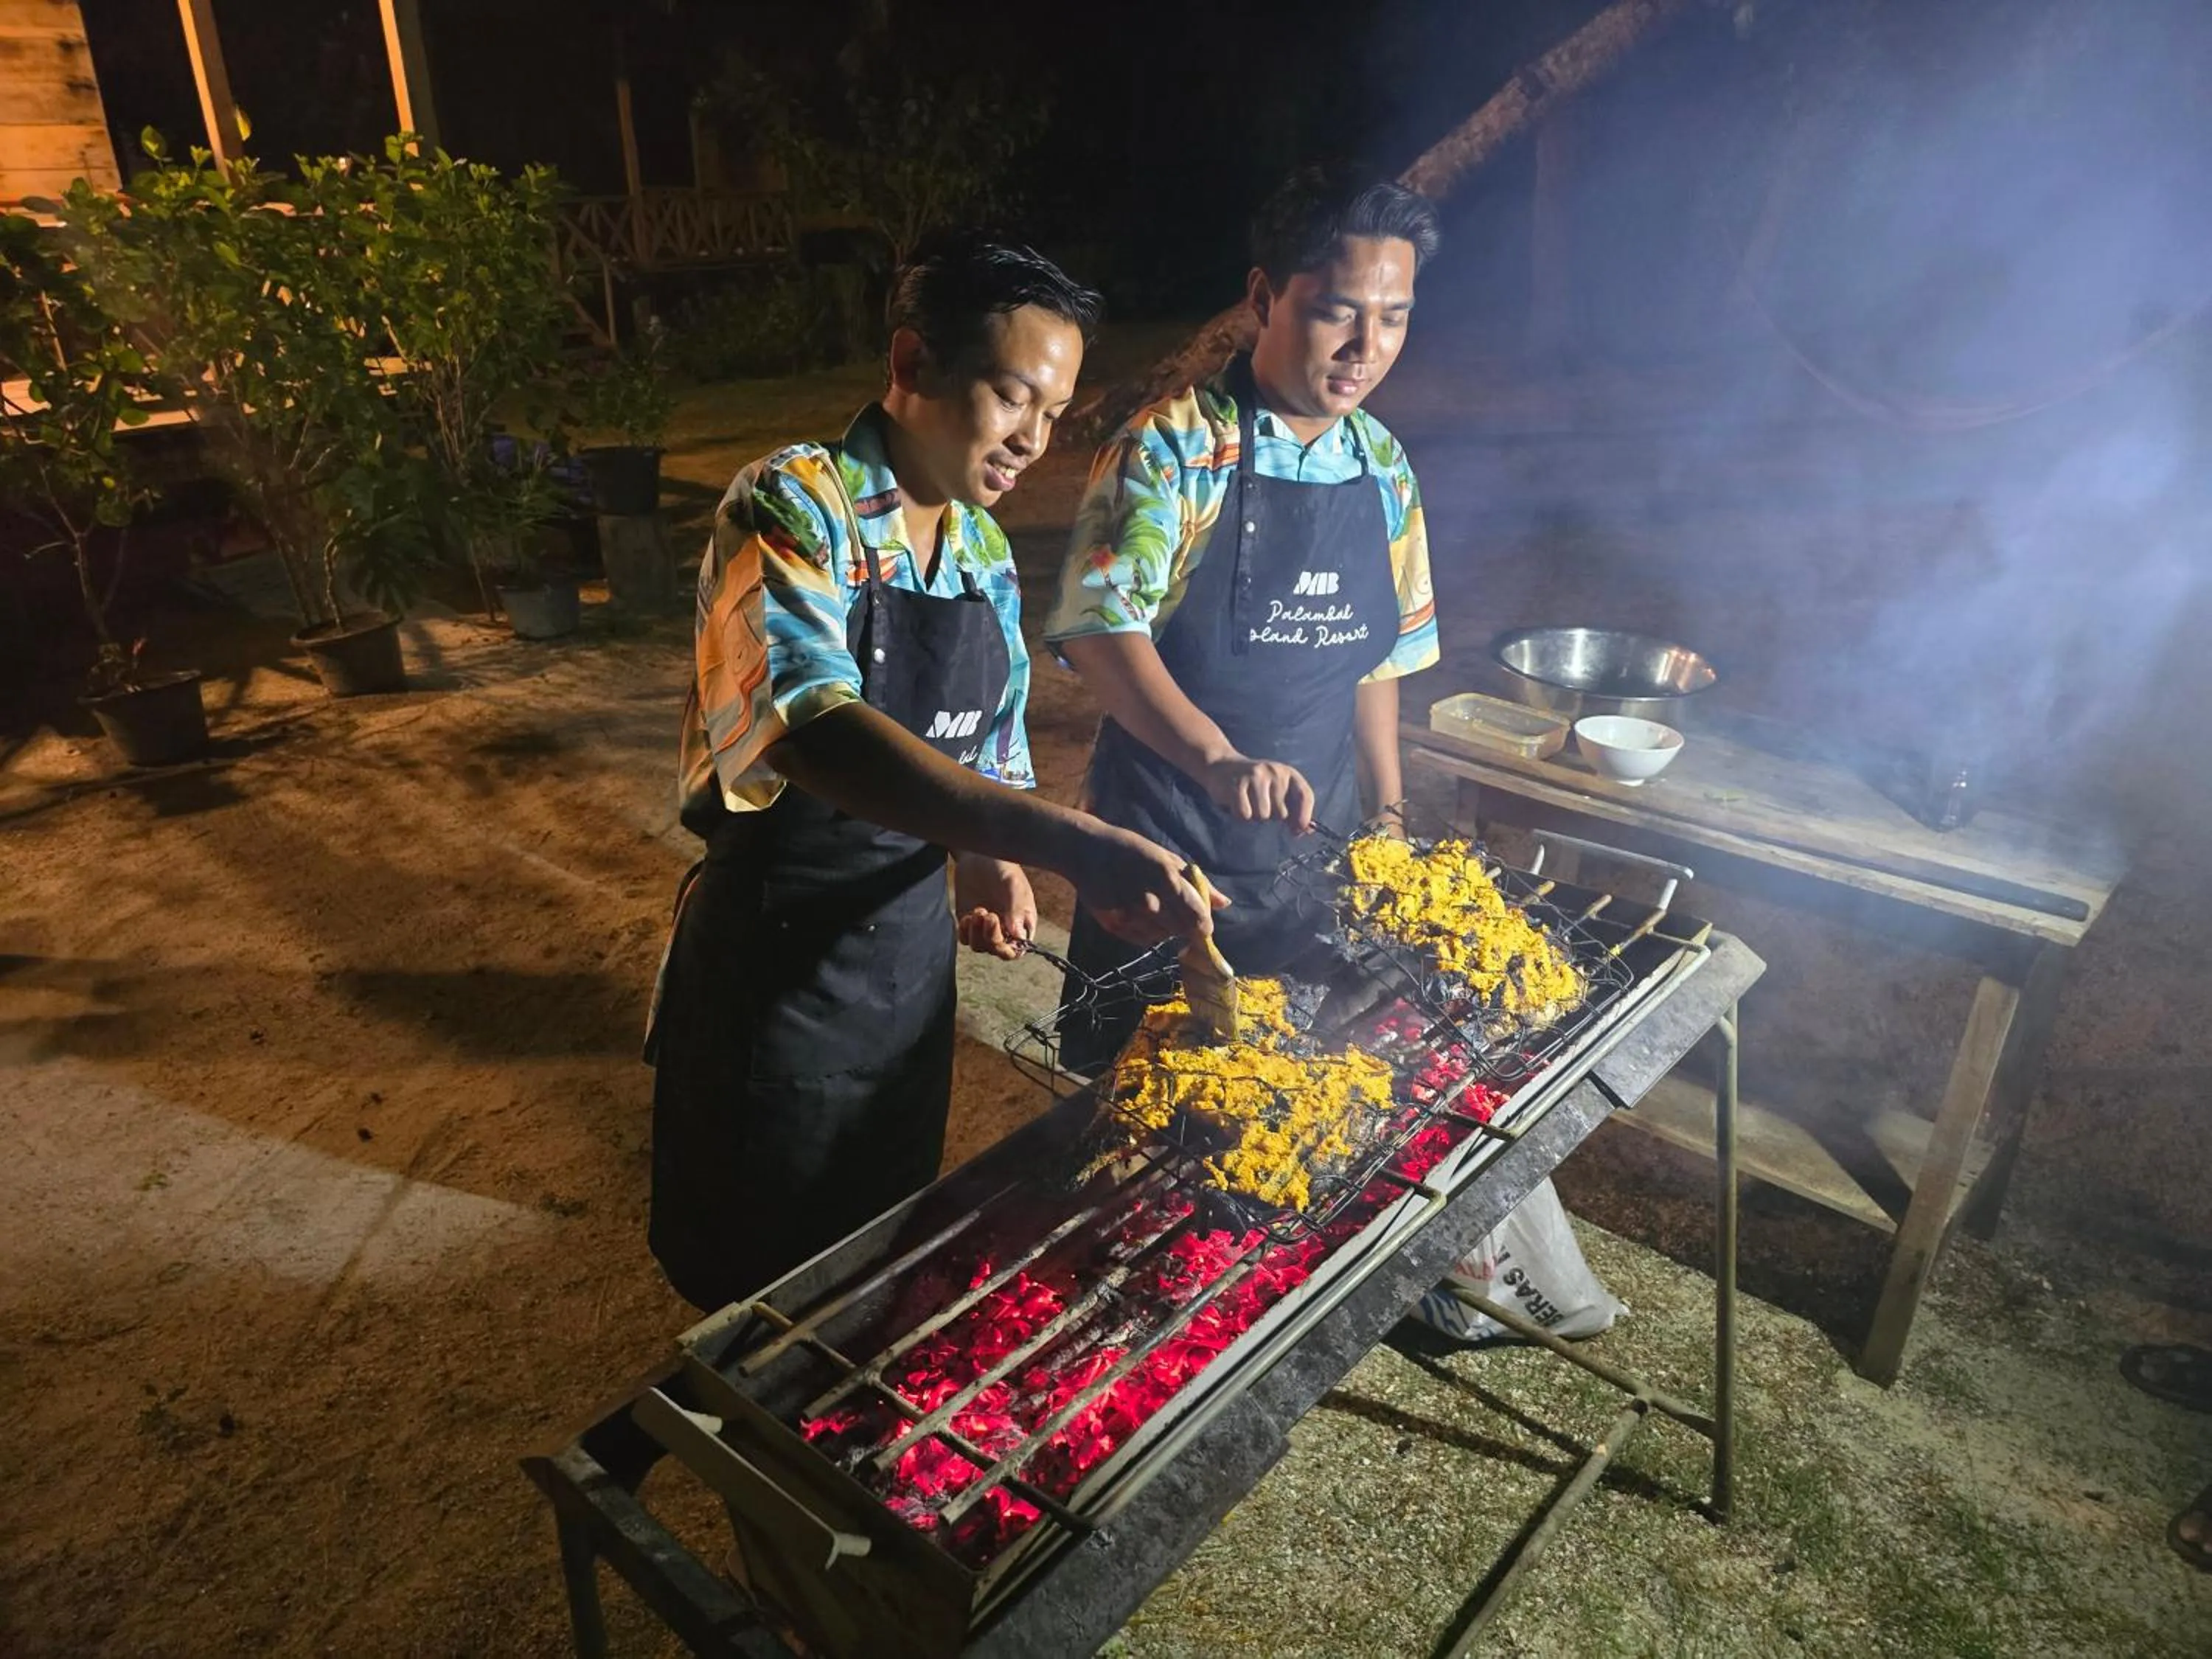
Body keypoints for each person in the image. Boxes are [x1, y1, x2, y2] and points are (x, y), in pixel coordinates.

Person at [648, 233, 1218, 1312]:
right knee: (758, 1289)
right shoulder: (789, 504)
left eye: (1053, 416)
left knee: (877, 1255)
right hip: (781, 964)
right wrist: (1061, 838)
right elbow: (816, 727)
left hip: (907, 971)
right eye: (1013, 400)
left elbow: (990, 736)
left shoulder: (982, 552)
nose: (1033, 443)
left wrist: (989, 859)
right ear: (913, 363)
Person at [1046, 168, 1442, 1070]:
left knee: (1302, 1126)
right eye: (1339, 311)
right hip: (1164, 865)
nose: (1366, 347)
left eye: (1394, 317)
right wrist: (1215, 758)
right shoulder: (1175, 448)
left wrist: (1386, 816)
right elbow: (1102, 632)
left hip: (1314, 868)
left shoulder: (1384, 466)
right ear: (1264, 297)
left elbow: (1379, 662)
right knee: (1141, 1137)